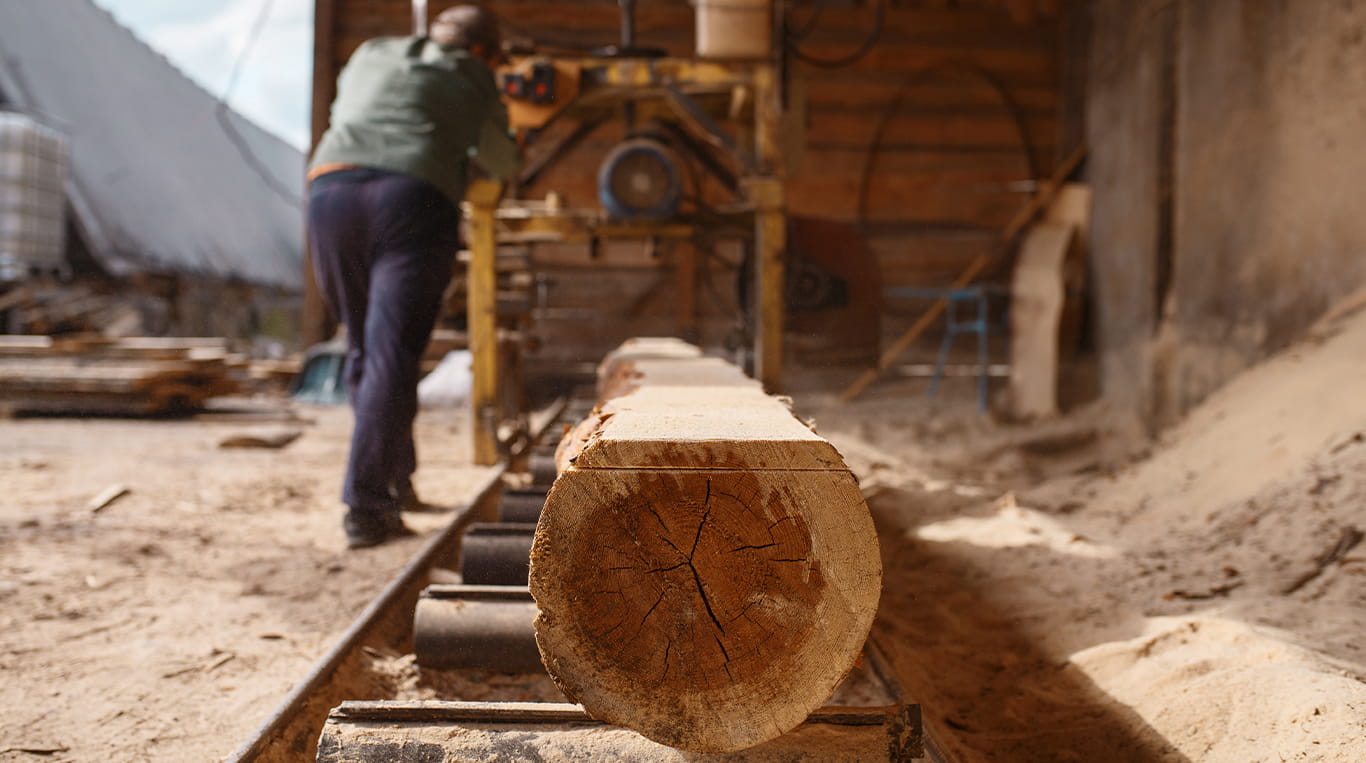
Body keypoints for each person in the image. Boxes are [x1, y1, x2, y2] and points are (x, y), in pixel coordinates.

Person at [307, 4, 521, 548]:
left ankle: (395, 480)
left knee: (364, 348)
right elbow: (503, 160)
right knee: (391, 353)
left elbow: (355, 113)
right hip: (410, 199)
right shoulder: (471, 73)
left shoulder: (370, 52)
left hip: (330, 192)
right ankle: (367, 507)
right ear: (481, 52)